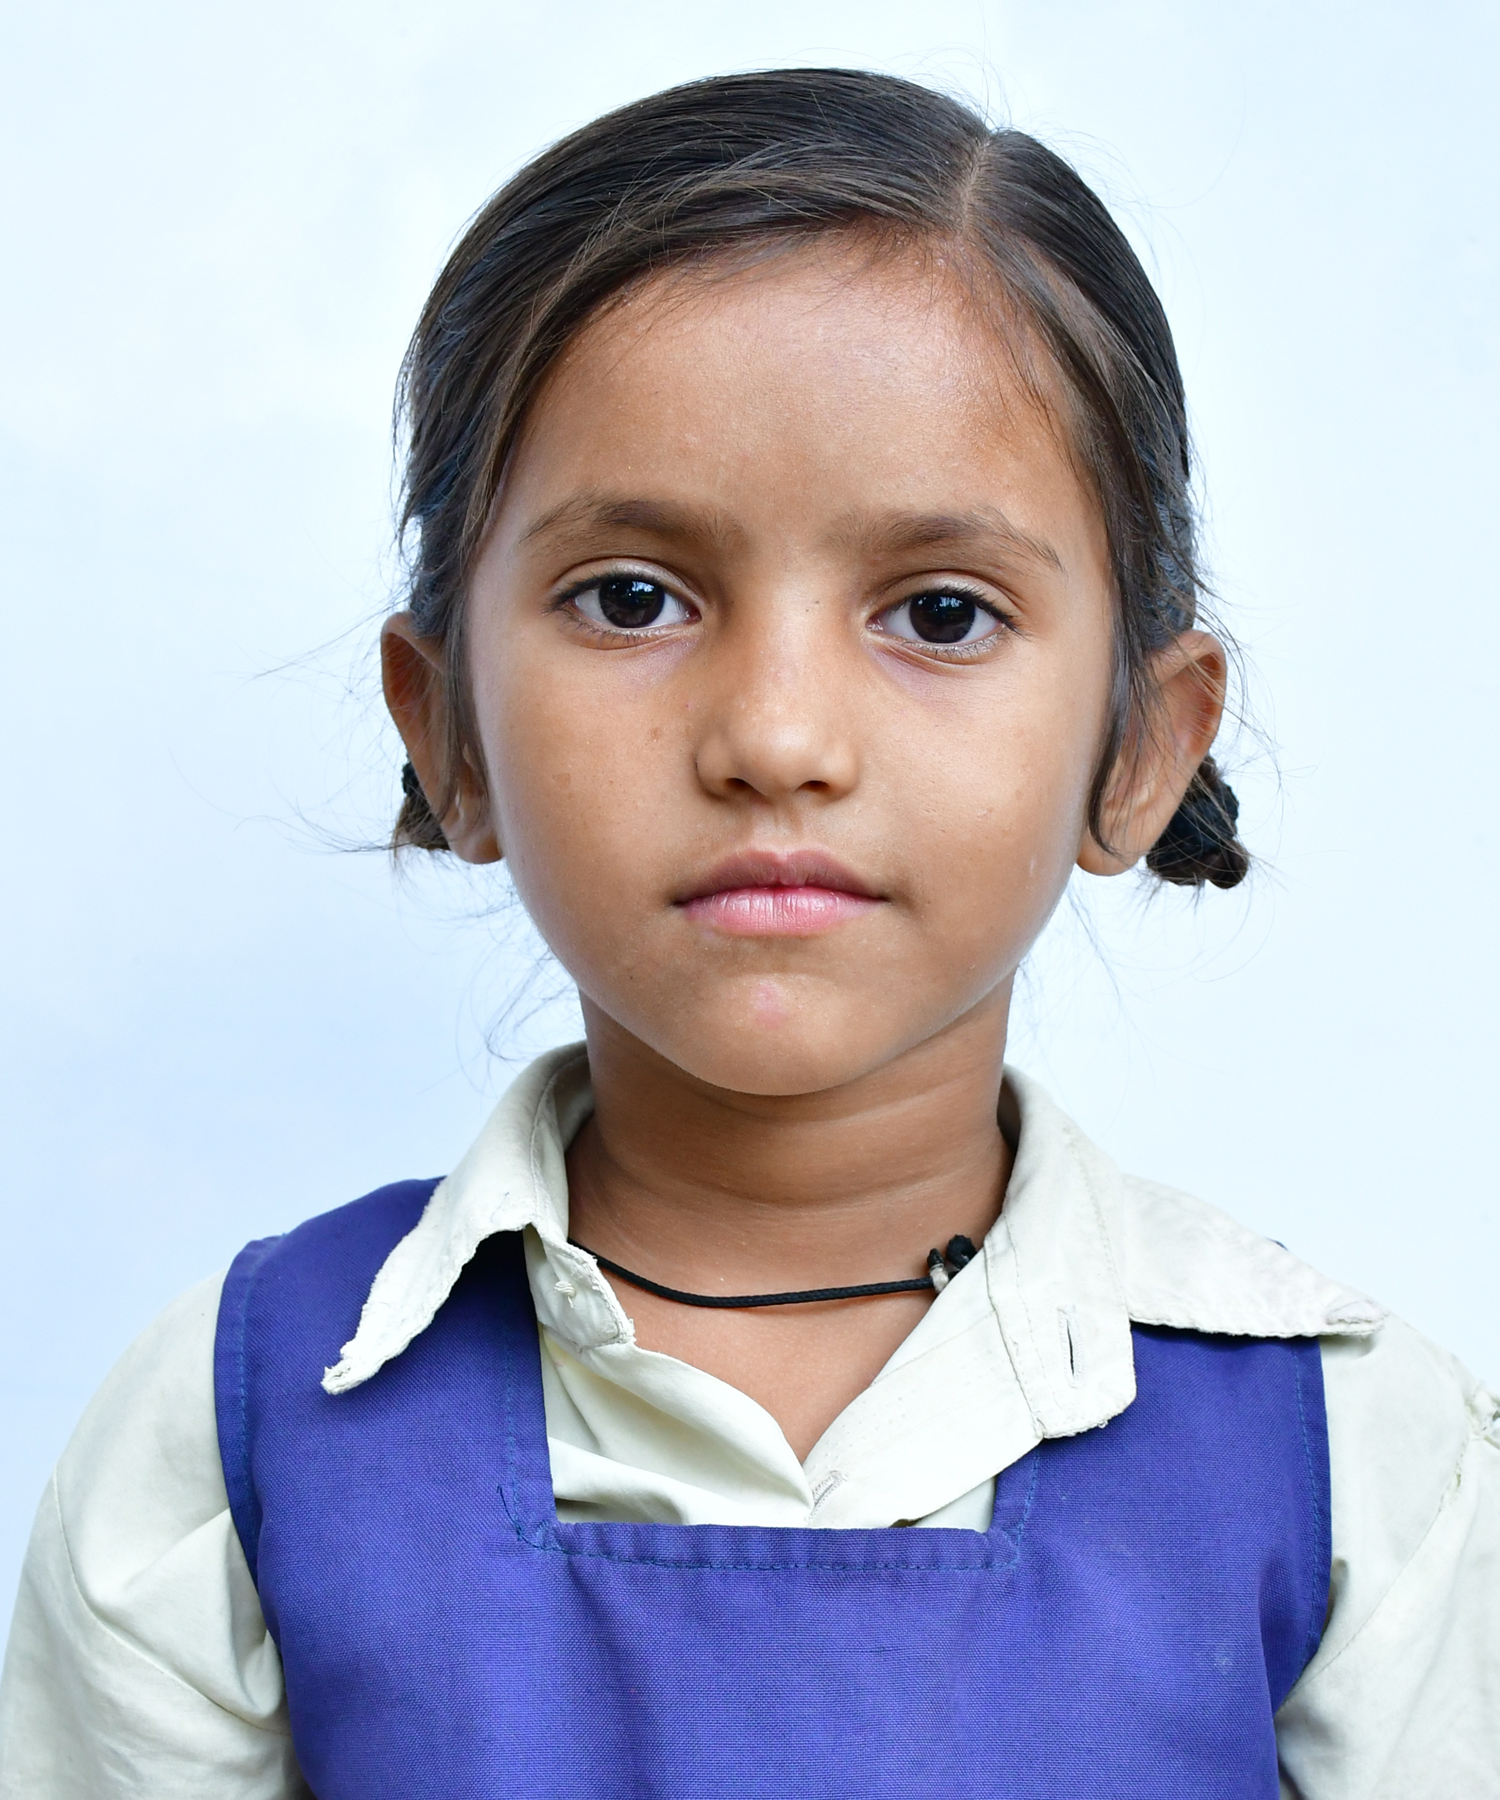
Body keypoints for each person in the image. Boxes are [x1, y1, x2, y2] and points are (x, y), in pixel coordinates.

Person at [1, 67, 1495, 1800]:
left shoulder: (1360, 1461)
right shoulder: (232, 1442)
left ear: (1141, 750)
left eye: (942, 614)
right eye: (633, 597)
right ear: (449, 733)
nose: (777, 737)